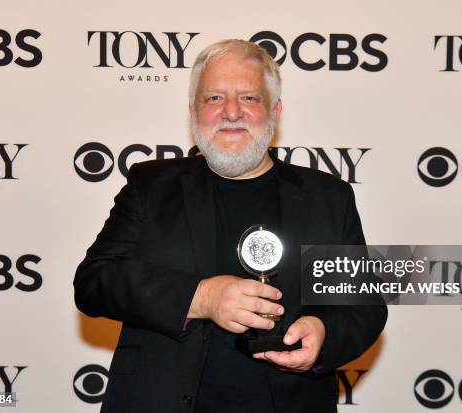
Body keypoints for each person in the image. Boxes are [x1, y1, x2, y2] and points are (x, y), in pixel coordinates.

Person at [74, 39, 387, 413]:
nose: (231, 112)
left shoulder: (327, 197)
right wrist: (201, 297)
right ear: (193, 110)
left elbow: (364, 307)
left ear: (276, 111)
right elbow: (94, 282)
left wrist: (324, 333)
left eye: (250, 98)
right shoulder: (151, 186)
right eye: (214, 98)